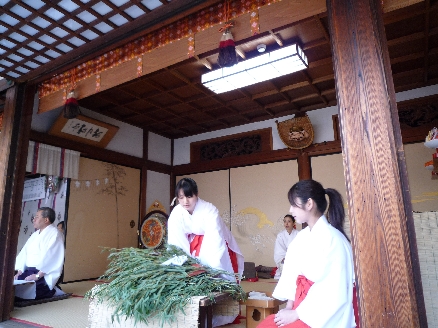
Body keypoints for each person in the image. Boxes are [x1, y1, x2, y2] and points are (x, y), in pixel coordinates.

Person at [258, 180, 357, 328]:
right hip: (302, 306)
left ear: (309, 204)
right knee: (268, 324)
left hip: (324, 312)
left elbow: (332, 289)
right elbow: (292, 275)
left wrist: (297, 314)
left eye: (293, 204)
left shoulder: (334, 240)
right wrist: (289, 307)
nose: (290, 210)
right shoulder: (302, 237)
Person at [167, 178, 244, 327]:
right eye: (181, 198)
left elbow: (214, 240)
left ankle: (221, 314)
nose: (185, 202)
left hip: (216, 245)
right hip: (191, 246)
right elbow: (176, 243)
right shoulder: (177, 213)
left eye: (189, 196)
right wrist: (185, 265)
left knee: (219, 275)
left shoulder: (209, 210)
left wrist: (203, 268)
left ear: (197, 194)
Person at [14, 207, 65, 300]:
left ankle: (53, 291)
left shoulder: (55, 234)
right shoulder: (35, 235)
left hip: (43, 274)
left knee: (26, 293)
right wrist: (20, 271)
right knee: (10, 286)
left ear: (46, 219)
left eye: (37, 217)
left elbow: (52, 257)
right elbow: (24, 253)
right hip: (28, 271)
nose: (34, 219)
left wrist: (37, 276)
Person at [273, 214, 299, 279]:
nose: (286, 223)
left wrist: (292, 257)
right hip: (285, 260)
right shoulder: (280, 235)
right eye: (285, 221)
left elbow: (301, 249)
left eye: (289, 221)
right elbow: (278, 251)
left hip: (296, 259)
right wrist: (285, 258)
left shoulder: (299, 234)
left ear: (293, 223)